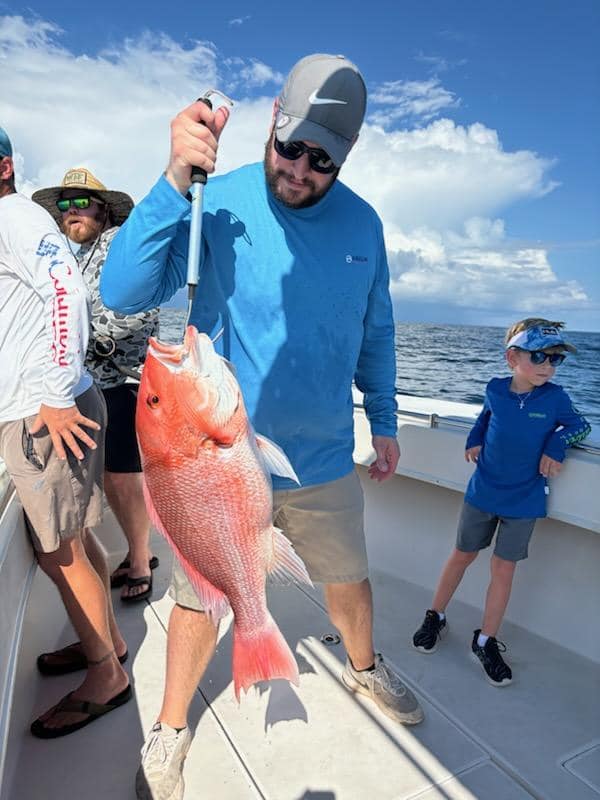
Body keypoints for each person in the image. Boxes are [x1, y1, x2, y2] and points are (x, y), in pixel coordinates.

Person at [101, 53, 424, 799]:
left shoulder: (364, 226)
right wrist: (175, 176)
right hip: (218, 463)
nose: (301, 168)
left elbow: (376, 331)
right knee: (196, 598)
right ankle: (172, 725)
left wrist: (383, 418)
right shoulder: (220, 196)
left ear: (343, 161)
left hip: (321, 457)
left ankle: (365, 667)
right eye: (291, 146)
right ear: (272, 122)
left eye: (323, 160)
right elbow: (121, 290)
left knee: (349, 579)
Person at [0, 126, 131, 737]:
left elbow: (66, 288)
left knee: (59, 549)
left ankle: (106, 673)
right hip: (49, 402)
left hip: (47, 410)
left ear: (3, 169)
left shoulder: (14, 219)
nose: (77, 213)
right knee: (71, 537)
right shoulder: (20, 224)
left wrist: (52, 395)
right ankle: (104, 641)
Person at [412, 318, 591, 686]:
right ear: (512, 357)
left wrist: (556, 445)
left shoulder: (555, 398)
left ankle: (485, 640)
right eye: (539, 356)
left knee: (503, 570)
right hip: (483, 492)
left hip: (524, 500)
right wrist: (472, 440)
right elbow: (484, 419)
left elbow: (580, 425)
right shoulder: (494, 389)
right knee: (461, 555)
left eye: (556, 359)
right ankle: (435, 616)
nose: (547, 366)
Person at [32, 168, 160, 604]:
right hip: (90, 386)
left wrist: (89, 338)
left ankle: (141, 562)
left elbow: (142, 310)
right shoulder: (75, 257)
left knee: (123, 479)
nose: (71, 212)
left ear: (103, 210)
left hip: (123, 383)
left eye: (80, 202)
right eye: (64, 205)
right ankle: (134, 555)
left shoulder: (121, 247)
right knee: (111, 477)